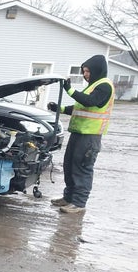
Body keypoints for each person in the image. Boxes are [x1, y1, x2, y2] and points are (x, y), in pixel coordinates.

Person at [47, 54, 115, 214]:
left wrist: (69, 89)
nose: (85, 75)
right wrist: (61, 109)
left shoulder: (104, 86)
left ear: (97, 70)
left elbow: (90, 102)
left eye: (87, 71)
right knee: (69, 165)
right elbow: (81, 107)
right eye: (84, 71)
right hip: (78, 133)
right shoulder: (93, 85)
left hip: (90, 137)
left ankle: (78, 203)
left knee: (82, 168)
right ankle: (68, 198)